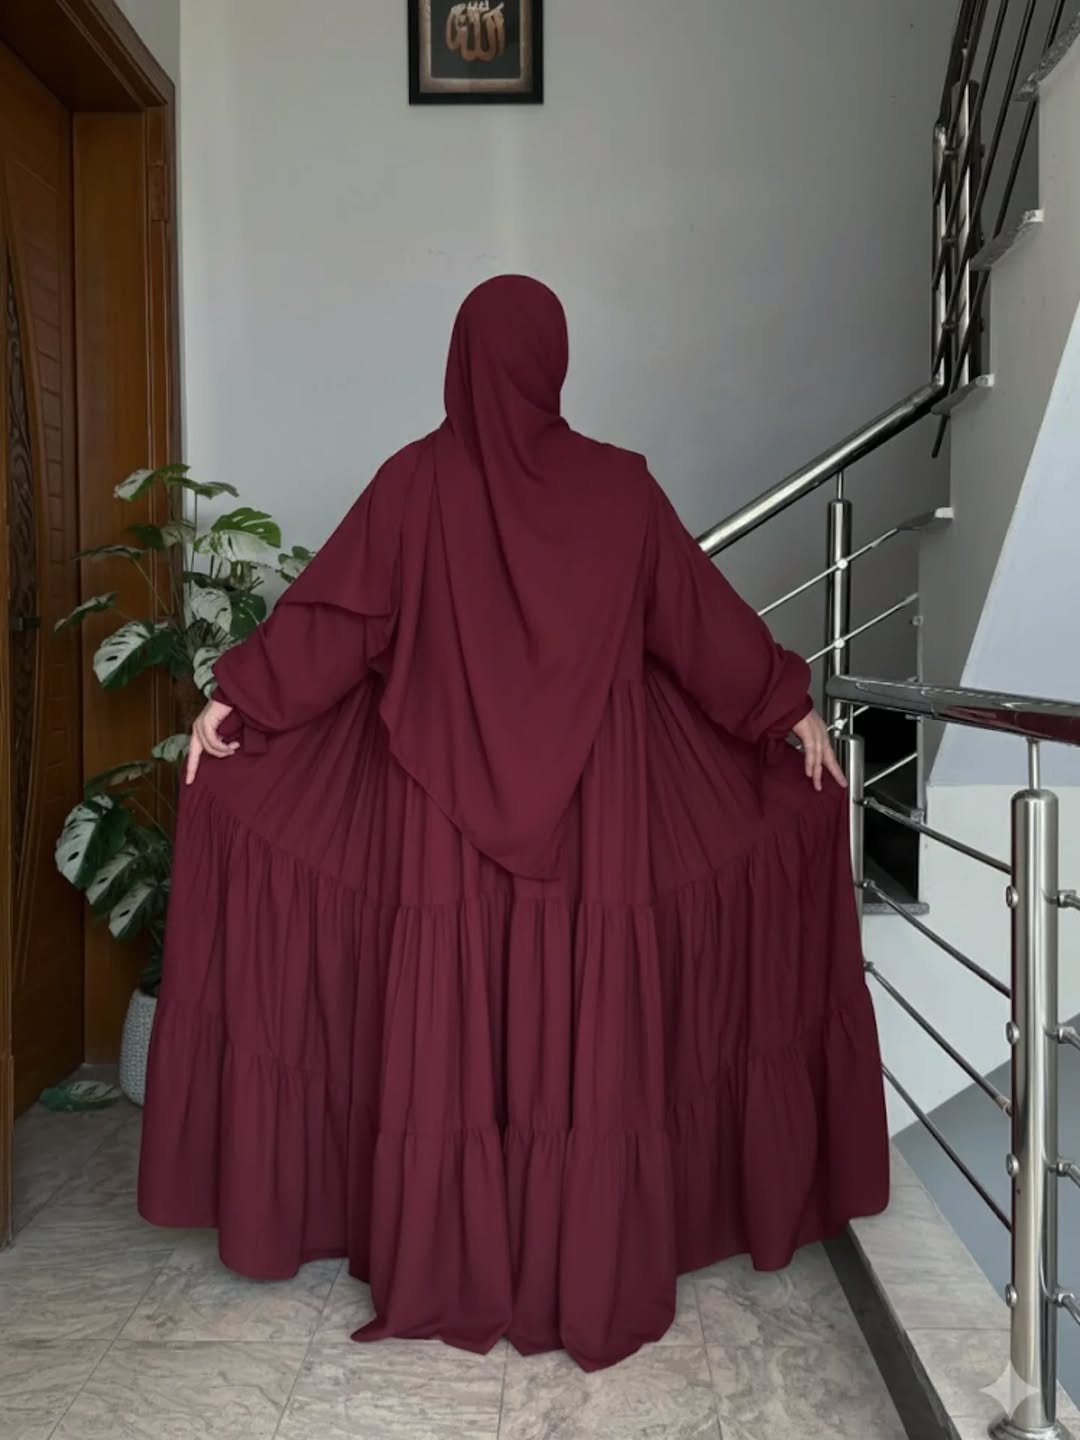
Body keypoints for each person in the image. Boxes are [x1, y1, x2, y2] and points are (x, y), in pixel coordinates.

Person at [139, 275, 889, 1371]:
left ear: (461, 360)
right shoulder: (620, 491)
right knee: (577, 1026)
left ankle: (448, 1257)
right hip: (593, 825)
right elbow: (700, 624)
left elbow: (332, 626)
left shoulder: (414, 484)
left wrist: (240, 700)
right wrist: (785, 708)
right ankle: (579, 1257)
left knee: (452, 1029)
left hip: (440, 820)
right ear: (553, 363)